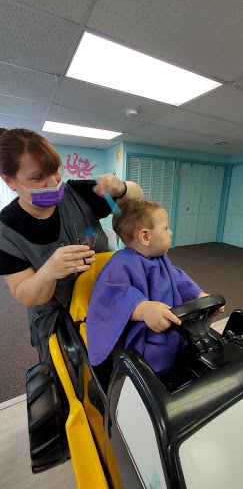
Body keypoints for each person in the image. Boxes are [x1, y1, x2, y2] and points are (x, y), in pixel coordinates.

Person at [0, 128, 143, 362]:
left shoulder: (77, 193)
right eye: (38, 177)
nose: (54, 181)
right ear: (9, 180)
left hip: (108, 300)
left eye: (55, 170)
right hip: (60, 321)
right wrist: (49, 272)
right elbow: (25, 294)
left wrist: (123, 188)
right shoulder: (7, 230)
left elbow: (135, 198)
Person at [86, 198, 225, 373]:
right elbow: (112, 296)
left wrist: (201, 297)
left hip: (175, 327)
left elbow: (178, 280)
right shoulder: (121, 264)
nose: (171, 232)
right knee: (158, 369)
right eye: (166, 228)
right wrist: (144, 310)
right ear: (145, 236)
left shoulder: (160, 259)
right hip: (145, 339)